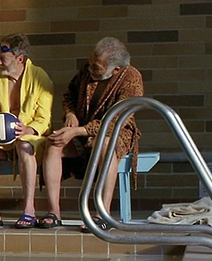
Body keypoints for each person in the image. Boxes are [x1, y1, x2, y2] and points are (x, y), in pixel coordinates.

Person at [40, 37, 143, 231]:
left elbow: (117, 118)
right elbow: (69, 95)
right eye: (90, 64)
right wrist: (70, 114)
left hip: (116, 132)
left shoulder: (131, 78)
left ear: (116, 70)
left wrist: (77, 131)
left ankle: (101, 213)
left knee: (105, 144)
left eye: (96, 68)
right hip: (82, 129)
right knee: (53, 143)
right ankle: (54, 211)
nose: (90, 70)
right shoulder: (88, 70)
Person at [0, 33, 54, 229]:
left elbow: (44, 118)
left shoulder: (40, 77)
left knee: (25, 145)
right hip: (1, 135)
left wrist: (29, 128)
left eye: (2, 59)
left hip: (30, 135)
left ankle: (29, 210)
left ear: (20, 59)